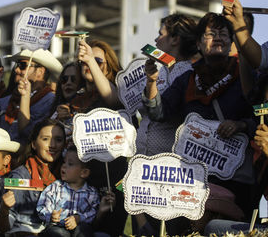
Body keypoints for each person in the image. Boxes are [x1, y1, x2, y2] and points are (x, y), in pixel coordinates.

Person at [143, 12, 256, 219]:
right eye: (210, 34)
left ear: (231, 40)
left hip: (237, 180)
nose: (218, 38)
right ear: (198, 43)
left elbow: (260, 118)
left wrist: (241, 125)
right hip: (193, 181)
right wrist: (151, 82)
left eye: (223, 33)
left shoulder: (245, 76)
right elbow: (158, 112)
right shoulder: (188, 79)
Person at [76, 39, 127, 236]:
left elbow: (111, 97)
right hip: (84, 177)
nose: (89, 65)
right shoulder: (78, 98)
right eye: (85, 61)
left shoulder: (117, 91)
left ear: (109, 66)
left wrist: (89, 59)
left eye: (98, 61)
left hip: (111, 177)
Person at [136, 13, 197, 156]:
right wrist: (151, 81)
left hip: (170, 164)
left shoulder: (188, 73)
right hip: (144, 159)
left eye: (160, 34)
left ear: (175, 39)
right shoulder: (161, 71)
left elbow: (162, 112)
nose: (156, 39)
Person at [0, 118, 66, 236]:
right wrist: (4, 209)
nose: (53, 145)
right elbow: (4, 228)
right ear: (34, 144)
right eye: (45, 139)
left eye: (58, 140)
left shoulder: (68, 175)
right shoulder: (20, 176)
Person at [0, 49, 62, 144]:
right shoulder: (3, 101)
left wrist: (25, 97)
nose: (16, 70)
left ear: (40, 71)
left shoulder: (51, 102)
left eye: (22, 65)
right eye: (17, 65)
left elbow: (29, 133)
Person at [37, 145, 99, 237]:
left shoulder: (91, 193)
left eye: (70, 164)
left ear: (84, 172)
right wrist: (50, 215)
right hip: (57, 226)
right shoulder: (56, 187)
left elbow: (94, 212)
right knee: (58, 234)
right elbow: (42, 205)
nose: (64, 166)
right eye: (64, 162)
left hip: (79, 226)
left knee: (84, 230)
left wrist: (80, 218)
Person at [50, 62, 84, 142]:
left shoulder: (89, 111)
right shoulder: (54, 112)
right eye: (64, 80)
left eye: (74, 79)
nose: (68, 83)